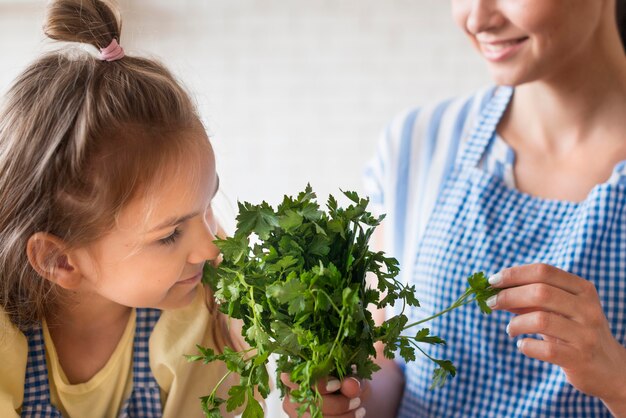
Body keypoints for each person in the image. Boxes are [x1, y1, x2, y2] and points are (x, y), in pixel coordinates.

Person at [283, 0, 626, 417]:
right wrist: (350, 398)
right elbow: (389, 361)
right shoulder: (418, 142)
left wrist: (617, 379)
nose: (478, 18)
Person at [0, 1, 242, 416]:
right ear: (60, 260)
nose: (210, 249)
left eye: (206, 207)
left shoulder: (194, 328)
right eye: (169, 234)